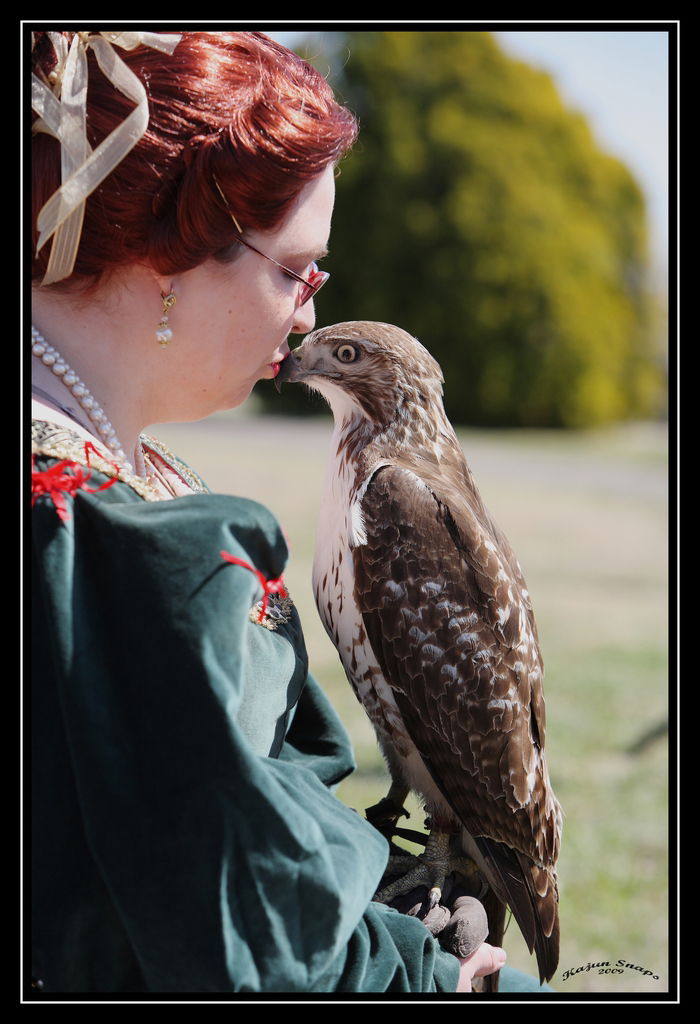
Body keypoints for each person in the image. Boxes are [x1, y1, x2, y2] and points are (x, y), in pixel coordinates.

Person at [30, 30, 513, 996]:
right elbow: (233, 933)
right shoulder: (93, 531)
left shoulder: (130, 475)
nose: (308, 316)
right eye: (297, 270)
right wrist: (424, 973)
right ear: (168, 254)